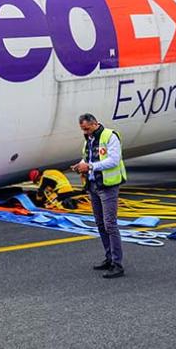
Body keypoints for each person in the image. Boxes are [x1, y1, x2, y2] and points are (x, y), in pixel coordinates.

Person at [72, 113, 127, 279]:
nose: (86, 132)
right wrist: (80, 165)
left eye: (87, 129)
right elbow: (87, 158)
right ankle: (109, 258)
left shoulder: (110, 136)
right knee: (100, 223)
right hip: (93, 185)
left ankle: (118, 264)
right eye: (83, 129)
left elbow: (114, 160)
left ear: (95, 124)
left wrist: (89, 166)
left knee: (110, 224)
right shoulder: (88, 139)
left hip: (107, 186)